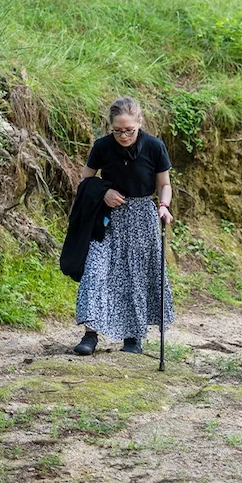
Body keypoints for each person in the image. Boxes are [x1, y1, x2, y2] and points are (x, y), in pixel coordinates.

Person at [72, 97, 174, 356]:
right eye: (117, 130)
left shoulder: (154, 147)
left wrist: (163, 206)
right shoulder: (102, 147)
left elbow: (164, 184)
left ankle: (133, 337)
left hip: (142, 217)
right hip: (108, 217)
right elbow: (85, 181)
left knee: (136, 276)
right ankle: (90, 334)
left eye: (129, 130)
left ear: (139, 123)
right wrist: (104, 191)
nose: (123, 135)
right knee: (96, 271)